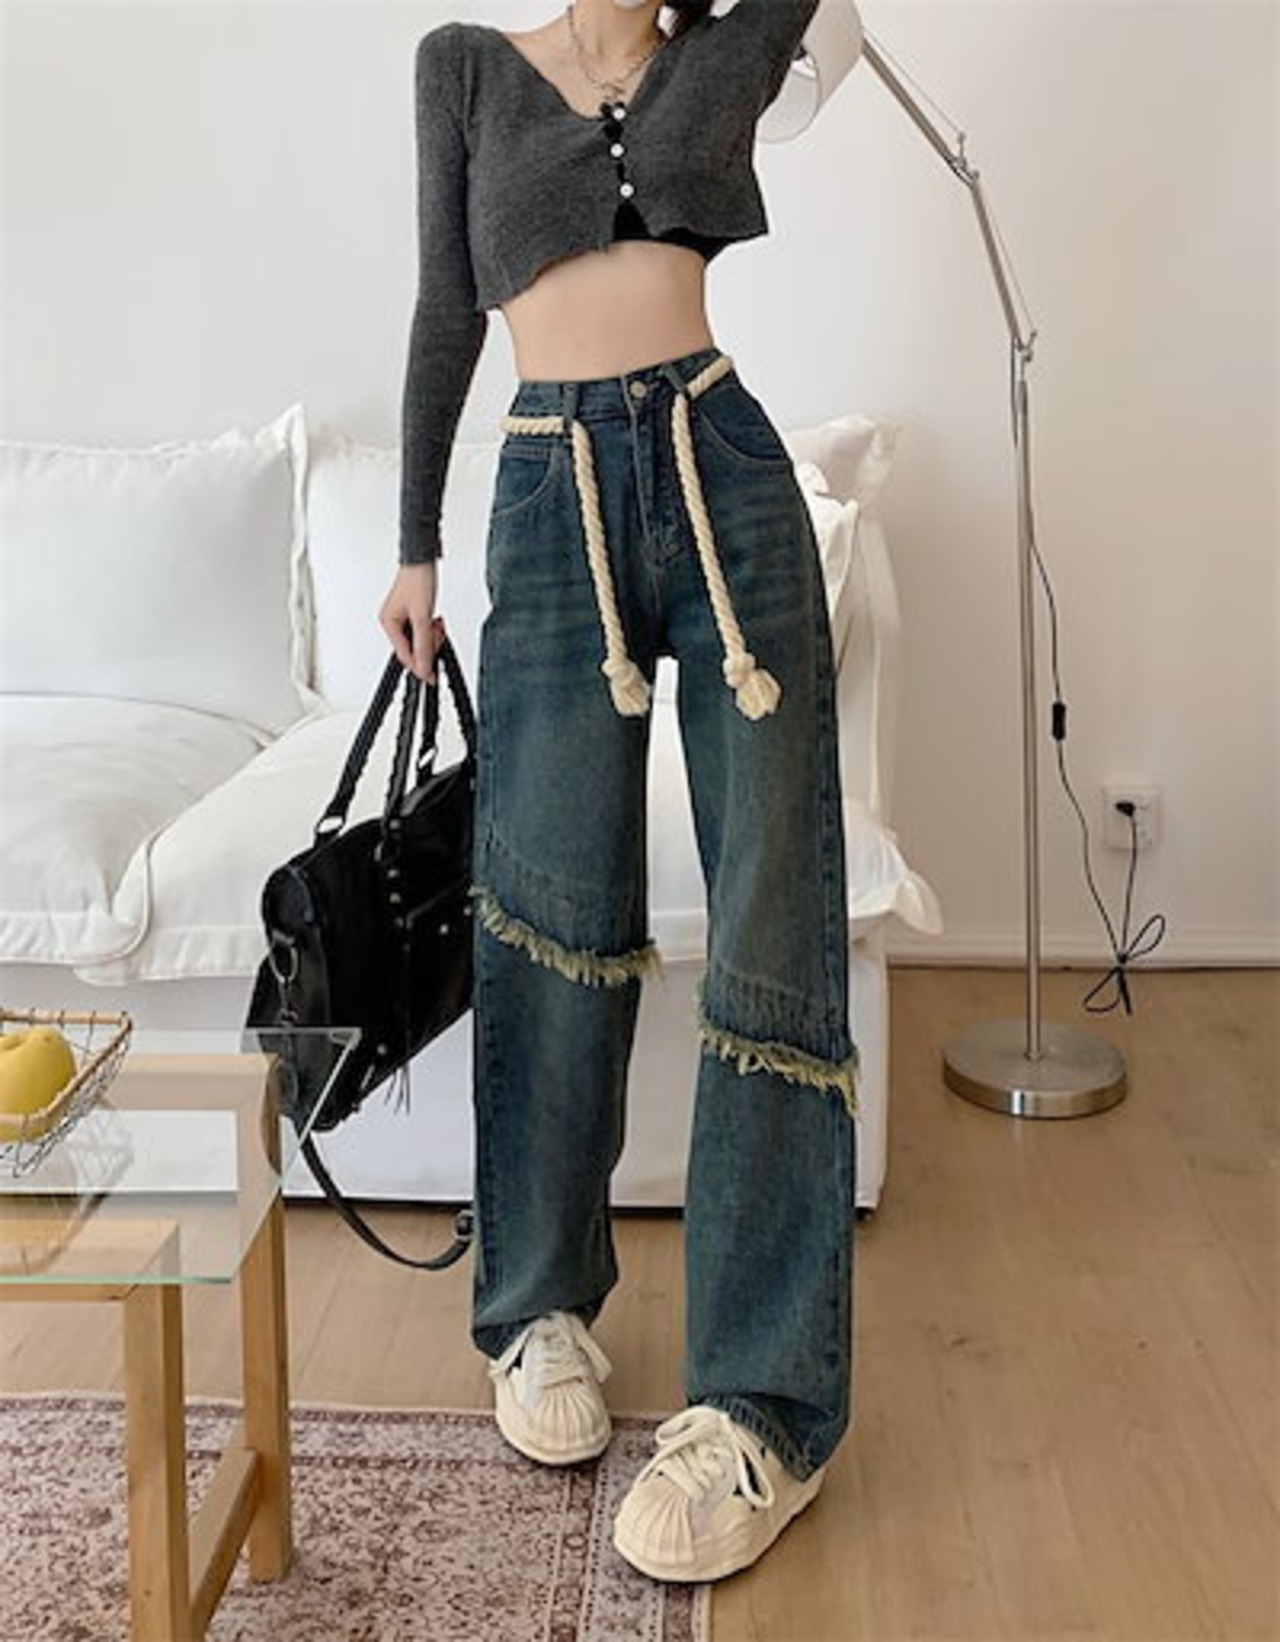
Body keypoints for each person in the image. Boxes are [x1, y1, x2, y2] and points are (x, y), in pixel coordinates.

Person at [378, 0, 857, 1584]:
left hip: (724, 476)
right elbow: (446, 306)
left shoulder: (726, 50)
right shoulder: (465, 67)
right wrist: (413, 547)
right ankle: (537, 1311)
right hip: (547, 490)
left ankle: (765, 1407)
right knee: (547, 909)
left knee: (773, 932)